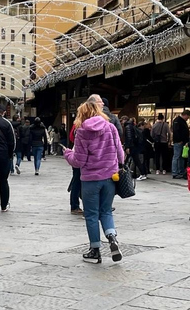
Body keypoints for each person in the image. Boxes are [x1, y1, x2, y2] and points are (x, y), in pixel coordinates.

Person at [62, 97, 124, 264]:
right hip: (110, 177)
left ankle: (95, 250)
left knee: (91, 215)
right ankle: (112, 238)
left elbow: (79, 161)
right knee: (106, 211)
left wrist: (68, 154)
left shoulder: (82, 131)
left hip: (90, 179)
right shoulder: (111, 127)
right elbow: (120, 154)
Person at [172, 110, 190, 179]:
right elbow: (176, 131)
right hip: (179, 142)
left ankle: (180, 171)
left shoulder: (180, 121)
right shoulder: (178, 121)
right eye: (188, 117)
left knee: (181, 157)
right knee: (177, 156)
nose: (188, 118)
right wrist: (179, 140)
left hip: (182, 142)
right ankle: (175, 172)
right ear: (185, 115)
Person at [68, 124, 82, 215]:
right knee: (77, 181)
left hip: (76, 155)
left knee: (77, 181)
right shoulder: (81, 126)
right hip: (80, 156)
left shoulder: (76, 125)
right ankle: (74, 205)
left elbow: (71, 137)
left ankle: (75, 205)